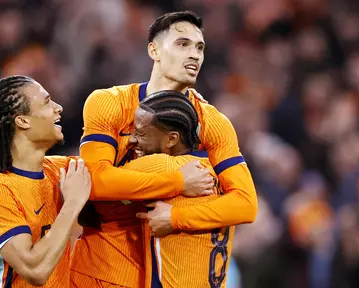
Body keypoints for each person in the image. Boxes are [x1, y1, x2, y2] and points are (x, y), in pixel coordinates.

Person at [71, 10, 257, 288]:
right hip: (105, 270)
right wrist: (179, 181)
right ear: (154, 50)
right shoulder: (108, 103)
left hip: (167, 273)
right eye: (183, 44)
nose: (194, 54)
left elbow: (245, 204)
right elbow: (95, 182)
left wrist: (176, 217)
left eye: (199, 47)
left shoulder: (213, 123)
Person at [126, 91, 236, 287]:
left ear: (171, 139)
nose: (131, 140)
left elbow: (95, 182)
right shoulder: (219, 172)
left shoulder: (161, 166)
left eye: (141, 133)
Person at [0, 75, 91, 287]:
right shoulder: (4, 190)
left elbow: (111, 171)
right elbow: (35, 271)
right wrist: (71, 205)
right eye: (47, 102)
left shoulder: (58, 170)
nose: (58, 108)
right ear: (23, 120)